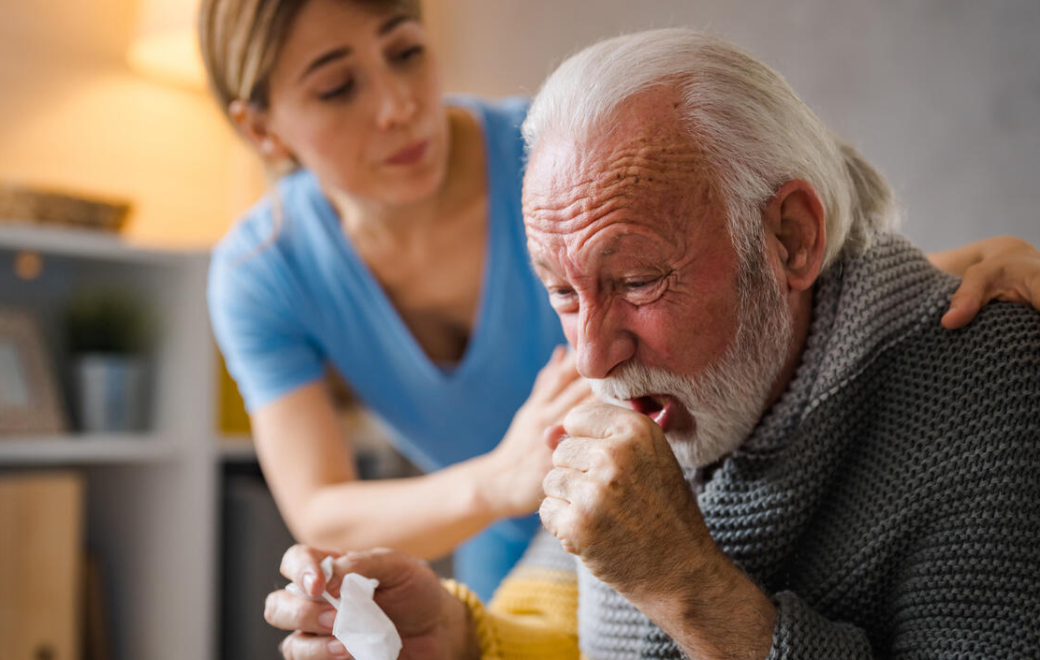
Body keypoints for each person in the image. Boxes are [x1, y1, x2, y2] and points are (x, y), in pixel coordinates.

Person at [203, 0, 1040, 610]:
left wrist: (948, 271)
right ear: (262, 129)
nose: (397, 105)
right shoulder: (261, 269)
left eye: (407, 50)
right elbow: (318, 508)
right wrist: (505, 480)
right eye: (337, 88)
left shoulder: (557, 158)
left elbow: (752, 274)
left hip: (671, 500)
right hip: (512, 538)